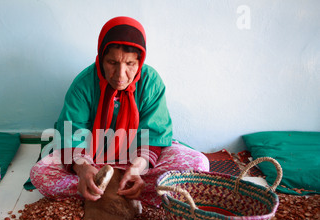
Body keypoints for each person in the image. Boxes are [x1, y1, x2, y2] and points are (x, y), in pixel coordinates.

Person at [30, 16, 209, 207]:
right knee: (41, 174)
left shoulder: (151, 81)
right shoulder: (83, 84)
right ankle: (107, 187)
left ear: (140, 61)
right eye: (112, 62)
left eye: (130, 64)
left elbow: (155, 136)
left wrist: (136, 169)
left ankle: (111, 188)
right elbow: (72, 134)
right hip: (93, 159)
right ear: (101, 57)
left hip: (137, 158)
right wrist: (84, 170)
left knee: (198, 165)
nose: (120, 75)